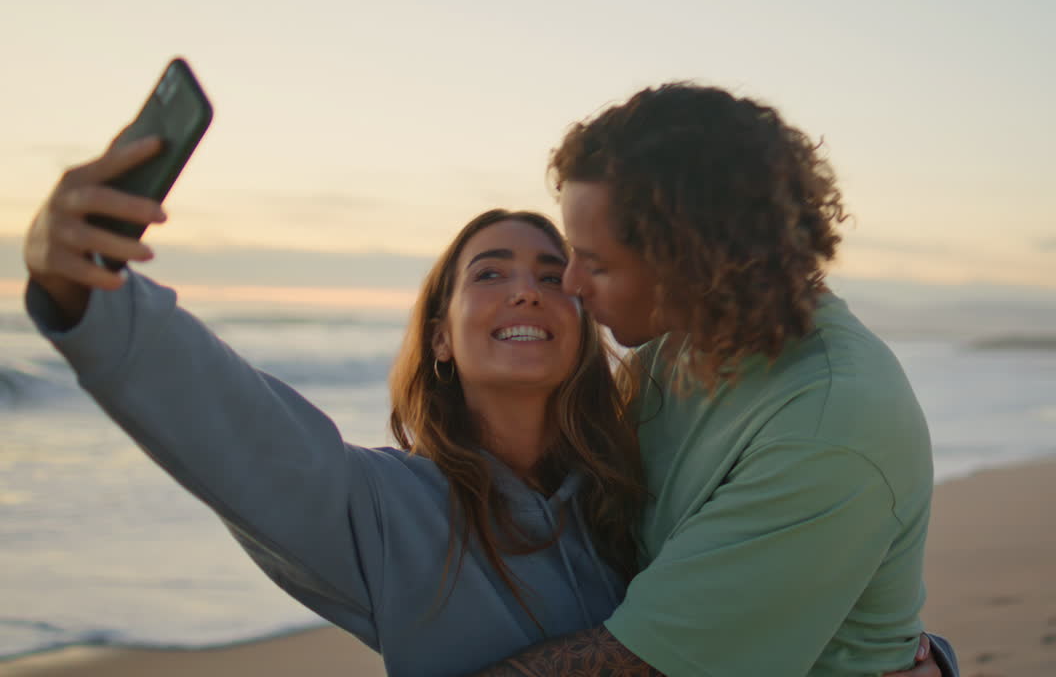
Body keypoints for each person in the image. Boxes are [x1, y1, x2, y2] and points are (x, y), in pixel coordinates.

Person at [20, 138, 946, 677]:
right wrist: (81, 287)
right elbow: (231, 422)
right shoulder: (380, 515)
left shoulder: (644, 478)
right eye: (488, 273)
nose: (529, 291)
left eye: (555, 274)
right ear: (439, 332)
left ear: (587, 321)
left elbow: (784, 591)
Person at [476, 83, 958, 677]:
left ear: (691, 260)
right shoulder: (680, 347)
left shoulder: (829, 422)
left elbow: (642, 661)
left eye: (596, 263)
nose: (572, 284)